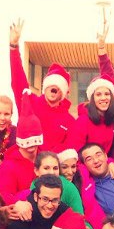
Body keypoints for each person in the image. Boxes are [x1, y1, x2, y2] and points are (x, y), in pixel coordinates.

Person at [9, 18, 75, 153]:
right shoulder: (30, 102)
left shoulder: (69, 120)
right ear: (45, 87)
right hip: (27, 160)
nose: (55, 87)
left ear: (63, 93)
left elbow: (69, 146)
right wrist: (14, 48)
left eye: (59, 86)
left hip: (52, 164)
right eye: (52, 84)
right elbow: (18, 80)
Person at [67, 25, 114, 153]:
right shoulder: (83, 121)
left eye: (107, 94)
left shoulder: (110, 121)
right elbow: (74, 153)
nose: (103, 98)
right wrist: (101, 52)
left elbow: (110, 77)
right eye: (98, 94)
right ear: (92, 98)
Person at [0, 94, 45, 204]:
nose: (30, 144)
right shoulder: (8, 166)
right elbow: (1, 196)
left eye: (34, 139)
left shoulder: (46, 161)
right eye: (26, 139)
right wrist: (21, 201)